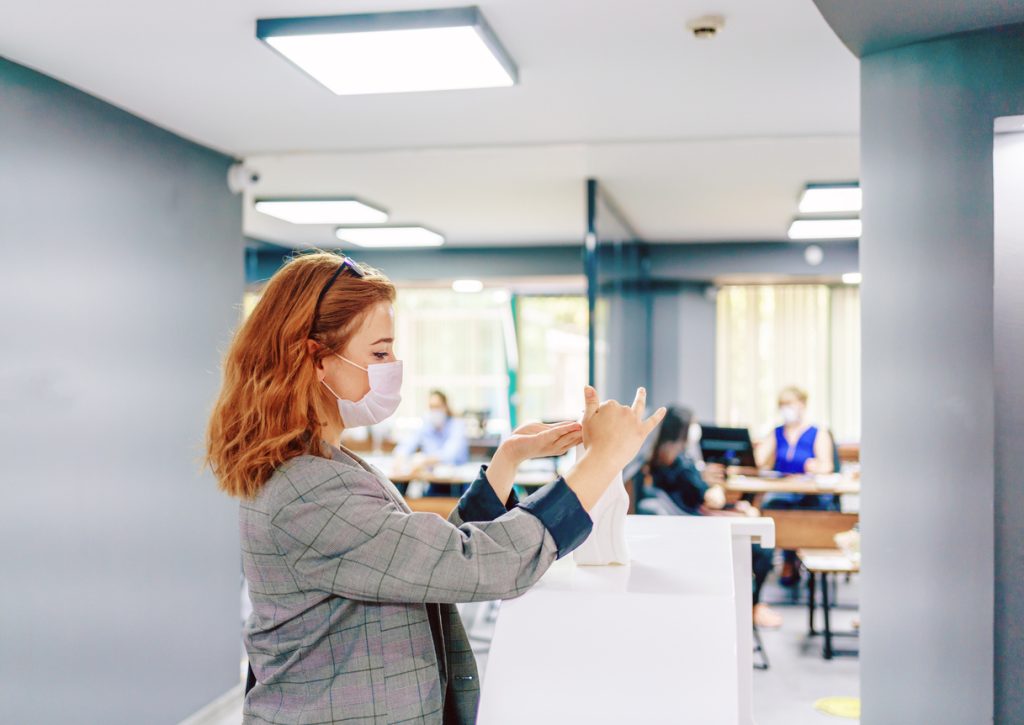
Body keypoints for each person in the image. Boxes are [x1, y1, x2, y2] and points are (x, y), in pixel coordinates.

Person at [205, 251, 665, 724]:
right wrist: (604, 459)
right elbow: (475, 564)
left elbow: (415, 557)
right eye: (379, 353)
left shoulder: (326, 463)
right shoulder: (308, 490)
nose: (393, 367)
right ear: (315, 359)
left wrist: (507, 460)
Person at [646, 407, 782, 629]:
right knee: (763, 550)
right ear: (683, 430)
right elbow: (710, 500)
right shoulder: (679, 463)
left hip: (691, 519)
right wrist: (731, 501)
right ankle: (753, 606)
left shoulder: (662, 458)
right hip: (697, 526)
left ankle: (753, 605)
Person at [755, 385, 837, 585]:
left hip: (809, 492)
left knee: (805, 509)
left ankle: (796, 558)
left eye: (790, 404)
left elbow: (827, 466)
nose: (786, 409)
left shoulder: (818, 432)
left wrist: (814, 466)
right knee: (774, 506)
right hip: (783, 490)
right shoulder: (777, 433)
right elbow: (758, 461)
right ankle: (788, 560)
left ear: (802, 405)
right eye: (782, 405)